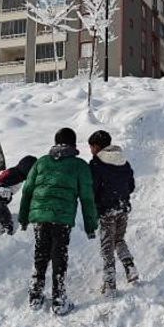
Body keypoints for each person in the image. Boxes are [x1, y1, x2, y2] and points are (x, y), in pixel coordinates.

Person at [18, 128, 99, 315]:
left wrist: (23, 218)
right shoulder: (79, 166)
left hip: (40, 217)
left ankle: (35, 296)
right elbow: (87, 197)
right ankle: (59, 300)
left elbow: (27, 191)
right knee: (59, 256)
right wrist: (90, 226)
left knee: (41, 254)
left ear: (56, 142)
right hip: (61, 218)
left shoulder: (41, 162)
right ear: (73, 143)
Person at [88, 130, 139, 297]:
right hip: (122, 208)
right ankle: (130, 266)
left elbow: (92, 189)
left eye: (91, 146)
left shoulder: (96, 164)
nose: (90, 150)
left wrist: (96, 202)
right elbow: (131, 186)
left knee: (107, 245)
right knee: (119, 240)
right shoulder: (123, 161)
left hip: (106, 211)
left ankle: (110, 282)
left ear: (97, 146)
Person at [0, 155, 37, 235]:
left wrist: (7, 196)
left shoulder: (17, 173)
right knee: (7, 221)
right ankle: (6, 237)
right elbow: (1, 180)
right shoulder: (15, 174)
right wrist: (3, 188)